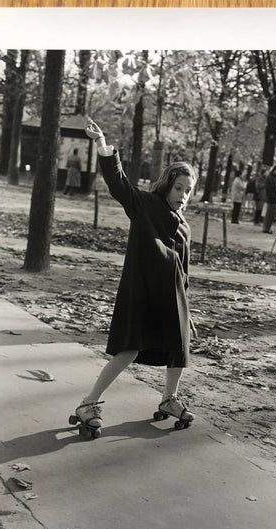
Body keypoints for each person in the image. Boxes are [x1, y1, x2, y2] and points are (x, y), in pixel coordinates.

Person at [73, 117, 198, 438]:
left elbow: (183, 267)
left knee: (179, 346)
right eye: (178, 187)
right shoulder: (145, 205)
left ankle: (169, 399)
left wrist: (187, 305)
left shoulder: (183, 224)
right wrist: (104, 148)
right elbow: (119, 184)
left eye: (188, 190)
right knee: (129, 349)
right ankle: (88, 403)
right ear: (167, 184)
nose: (183, 194)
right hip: (142, 292)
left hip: (173, 296)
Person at [262, 166, 276, 233]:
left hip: (273, 198)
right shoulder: (270, 178)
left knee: (271, 214)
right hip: (271, 198)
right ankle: (266, 228)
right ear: (274, 170)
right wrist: (273, 196)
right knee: (270, 214)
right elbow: (269, 188)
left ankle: (267, 227)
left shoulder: (274, 178)